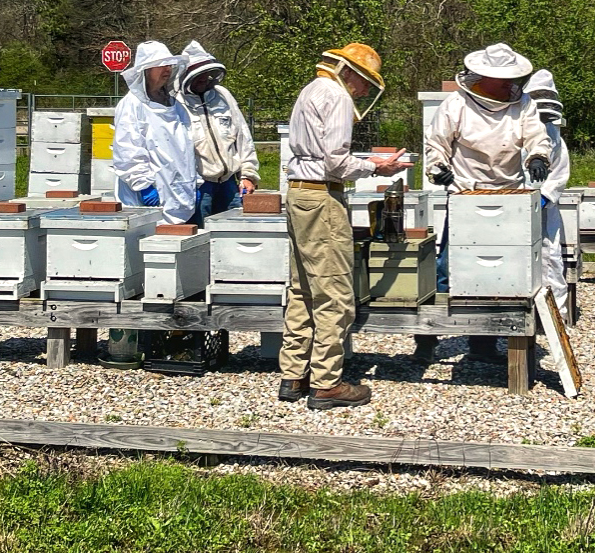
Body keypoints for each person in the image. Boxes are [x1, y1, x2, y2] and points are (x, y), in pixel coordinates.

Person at [278, 43, 409, 410]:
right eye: (365, 81)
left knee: (302, 288)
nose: (364, 91)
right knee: (334, 293)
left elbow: (321, 154)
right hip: (322, 197)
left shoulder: (311, 89)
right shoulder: (337, 96)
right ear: (349, 72)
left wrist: (367, 161)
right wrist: (376, 167)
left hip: (299, 194)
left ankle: (293, 375)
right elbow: (336, 162)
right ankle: (326, 383)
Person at [417, 43, 553, 362]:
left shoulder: (523, 104)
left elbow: (537, 136)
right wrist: (438, 169)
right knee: (448, 267)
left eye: (512, 79)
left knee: (498, 271)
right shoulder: (456, 104)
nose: (510, 85)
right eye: (504, 80)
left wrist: (538, 156)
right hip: (465, 194)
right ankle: (426, 337)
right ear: (485, 77)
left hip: (509, 196)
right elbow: (436, 144)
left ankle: (483, 344)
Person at [112, 41, 199, 224]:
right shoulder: (132, 105)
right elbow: (127, 151)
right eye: (161, 65)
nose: (167, 69)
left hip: (180, 196)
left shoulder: (177, 106)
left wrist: (194, 184)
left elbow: (187, 150)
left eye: (169, 65)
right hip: (146, 200)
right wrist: (143, 187)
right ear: (146, 70)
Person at [176, 41, 262, 227]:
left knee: (232, 233)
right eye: (198, 76)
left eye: (207, 74)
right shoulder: (176, 103)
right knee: (201, 236)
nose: (204, 79)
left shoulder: (223, 95)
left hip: (229, 183)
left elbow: (242, 136)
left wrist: (248, 175)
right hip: (200, 186)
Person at [525, 68, 571, 320]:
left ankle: (556, 317)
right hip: (515, 204)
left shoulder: (554, 134)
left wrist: (545, 196)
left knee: (550, 258)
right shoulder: (514, 127)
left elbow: (561, 170)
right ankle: (524, 314)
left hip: (545, 209)